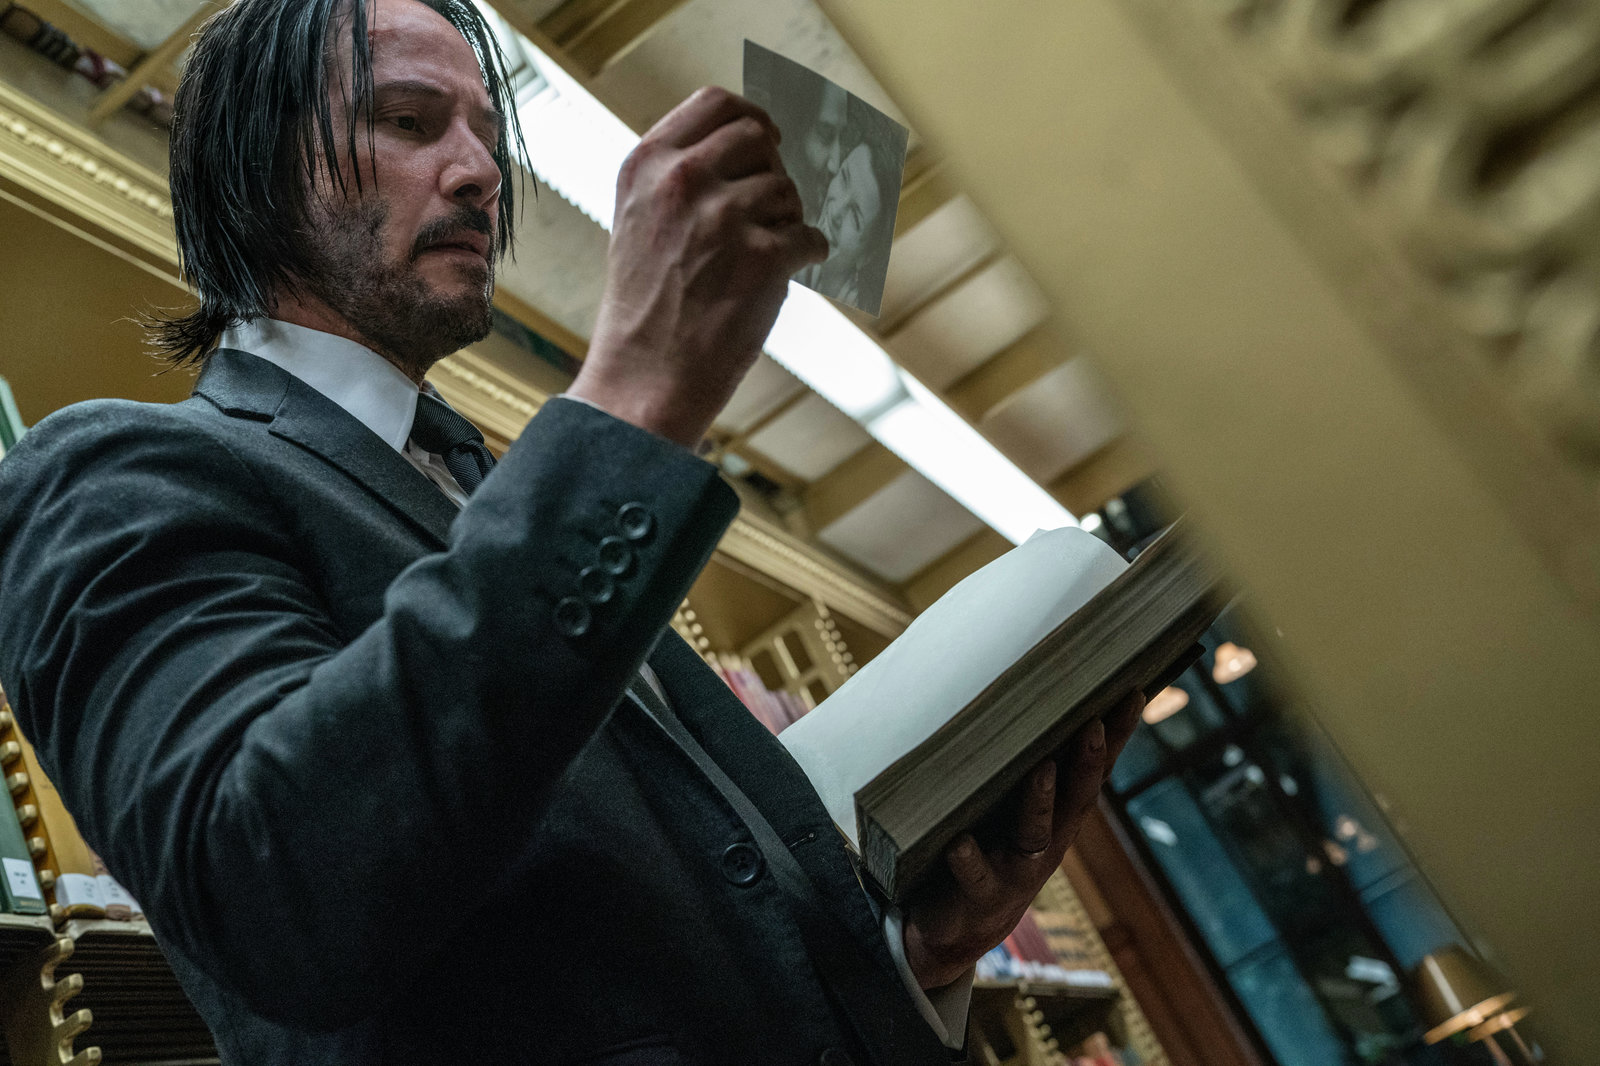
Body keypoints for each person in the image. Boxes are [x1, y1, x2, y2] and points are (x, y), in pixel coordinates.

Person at [0, 1, 1145, 1063]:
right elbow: (272, 892)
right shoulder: (110, 475)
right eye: (409, 122)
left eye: (487, 135)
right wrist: (634, 394)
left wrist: (907, 959)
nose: (479, 173)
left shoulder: (496, 487)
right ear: (254, 167)